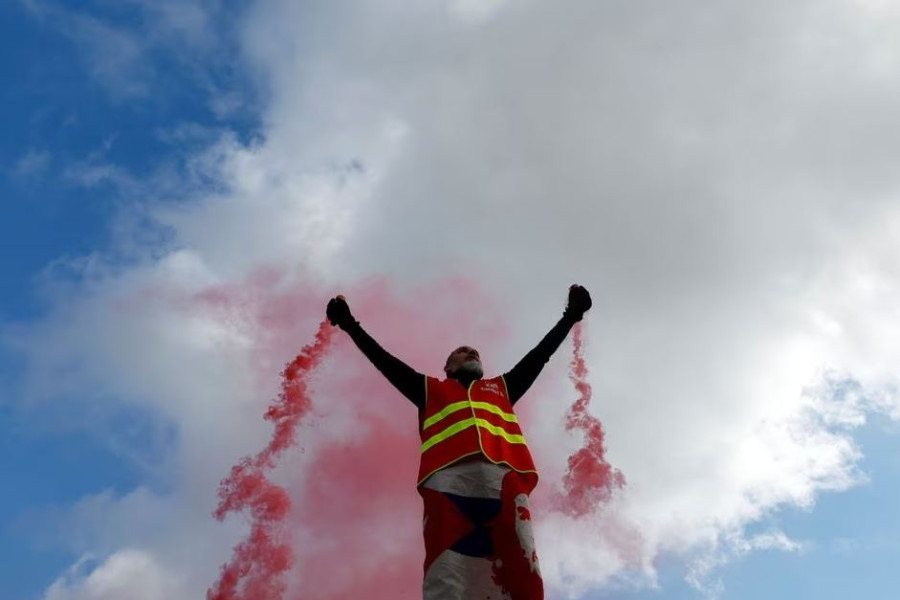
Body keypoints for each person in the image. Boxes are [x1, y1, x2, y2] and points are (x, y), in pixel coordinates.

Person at [325, 285, 592, 600]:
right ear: (448, 367)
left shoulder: (502, 387)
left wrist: (570, 316)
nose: (472, 352)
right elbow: (385, 362)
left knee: (519, 562)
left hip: (503, 479)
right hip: (448, 481)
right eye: (463, 351)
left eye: (475, 352)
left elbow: (539, 355)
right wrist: (349, 324)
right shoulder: (429, 389)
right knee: (448, 564)